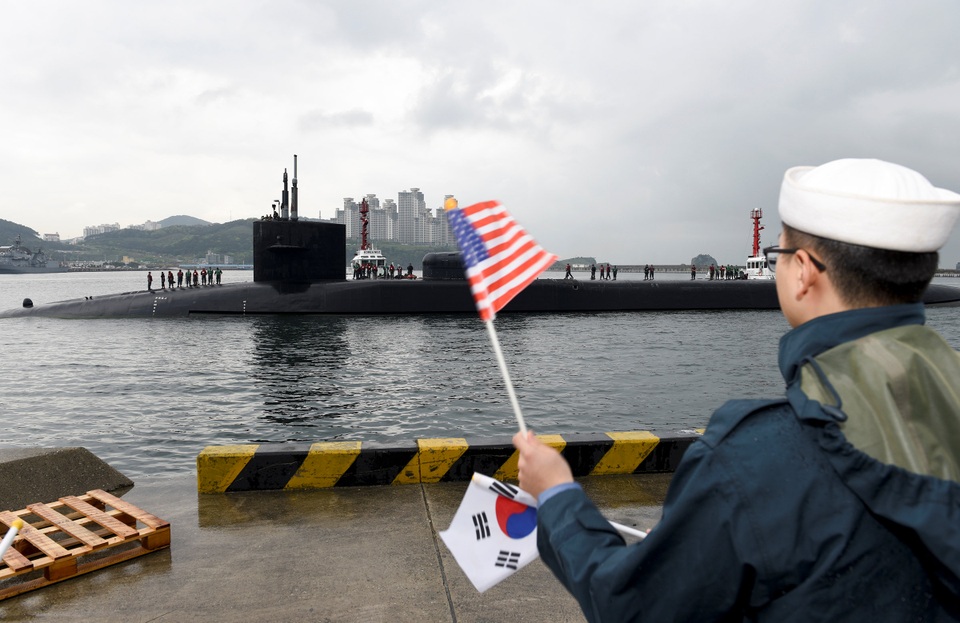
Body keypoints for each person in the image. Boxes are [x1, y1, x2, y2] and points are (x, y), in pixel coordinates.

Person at [513, 158, 960, 621]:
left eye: (780, 255)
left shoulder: (750, 459)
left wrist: (557, 495)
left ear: (803, 271)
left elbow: (628, 607)